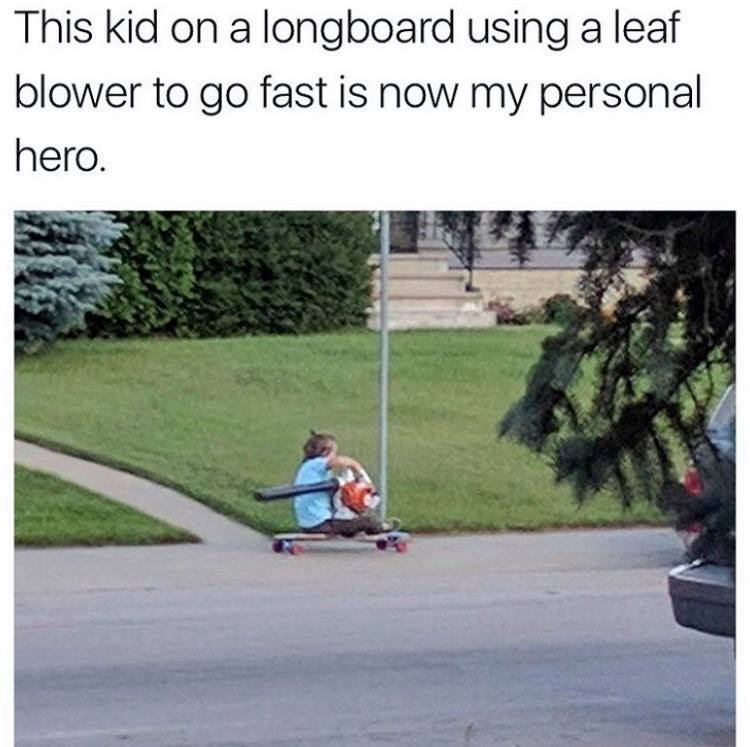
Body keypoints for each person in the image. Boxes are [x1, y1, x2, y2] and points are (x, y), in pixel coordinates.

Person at [294, 432, 392, 536]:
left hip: (306, 524)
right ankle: (381, 528)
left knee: (346, 519)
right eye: (334, 453)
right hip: (322, 523)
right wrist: (357, 467)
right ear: (326, 452)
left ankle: (351, 529)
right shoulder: (318, 464)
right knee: (368, 522)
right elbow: (341, 461)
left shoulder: (307, 467)